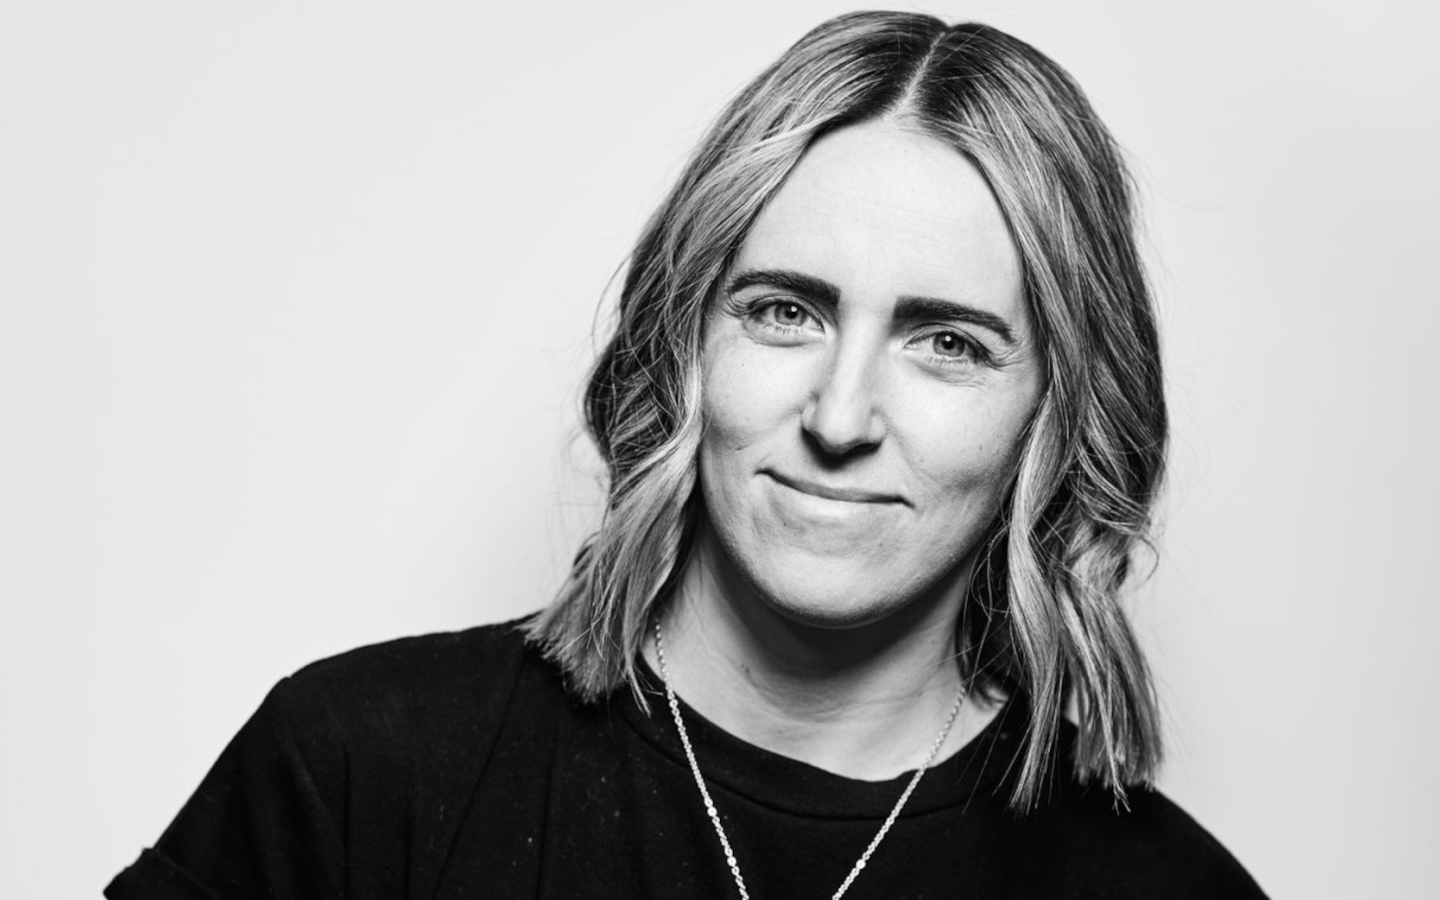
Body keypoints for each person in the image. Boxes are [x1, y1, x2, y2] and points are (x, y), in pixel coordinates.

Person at [106, 12, 1267, 899]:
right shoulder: (358, 771)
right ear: (686, 341)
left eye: (949, 343)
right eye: (784, 312)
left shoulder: (1168, 888)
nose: (841, 415)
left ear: (1055, 418)